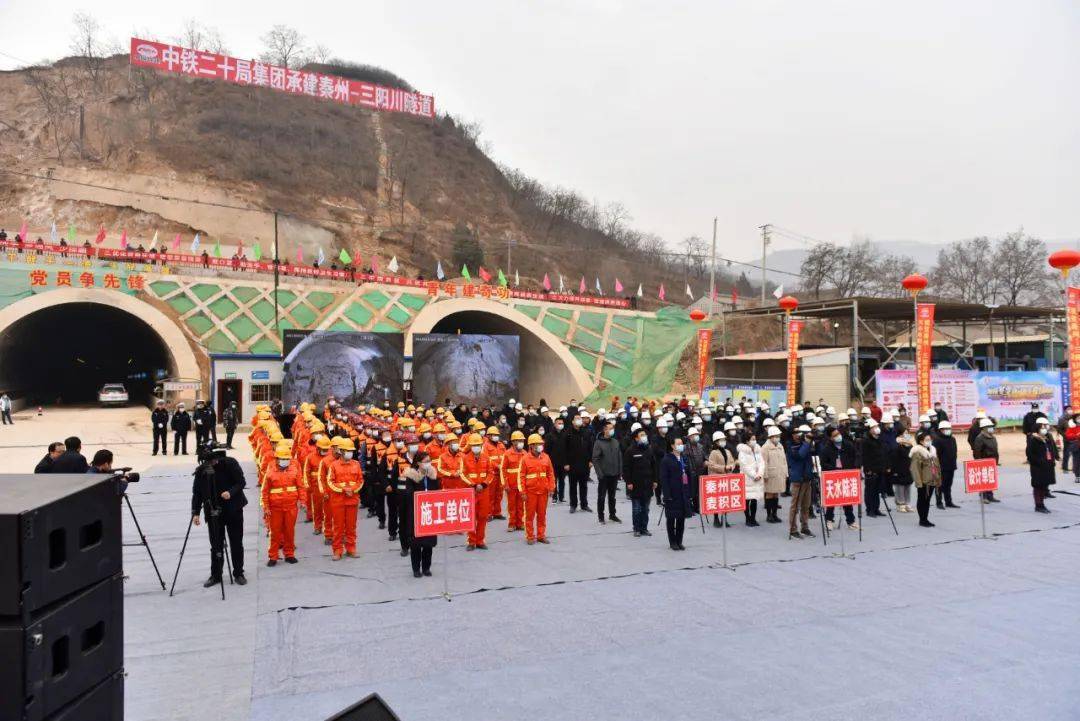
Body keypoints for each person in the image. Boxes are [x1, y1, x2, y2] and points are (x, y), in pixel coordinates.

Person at [191, 444, 248, 586]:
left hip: (233, 509)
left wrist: (230, 492)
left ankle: (238, 572)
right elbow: (197, 493)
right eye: (208, 462)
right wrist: (195, 513)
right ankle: (216, 575)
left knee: (236, 542)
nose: (212, 464)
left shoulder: (230, 463)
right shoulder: (202, 471)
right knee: (216, 544)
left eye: (214, 461)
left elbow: (241, 482)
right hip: (213, 512)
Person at [262, 444, 302, 566]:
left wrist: (303, 501)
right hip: (275, 508)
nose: (285, 461)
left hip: (291, 507)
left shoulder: (294, 470)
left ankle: (289, 554)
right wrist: (266, 507)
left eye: (287, 459)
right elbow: (265, 491)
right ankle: (273, 556)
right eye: (283, 458)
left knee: (289, 532)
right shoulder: (270, 473)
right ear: (277, 459)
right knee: (275, 533)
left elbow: (300, 487)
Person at [324, 437, 364, 560]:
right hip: (338, 501)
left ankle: (351, 549)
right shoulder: (334, 466)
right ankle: (337, 550)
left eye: (351, 451)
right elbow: (330, 482)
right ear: (341, 451)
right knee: (338, 527)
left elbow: (360, 481)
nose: (350, 453)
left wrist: (353, 490)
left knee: (351, 526)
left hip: (352, 500)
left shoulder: (356, 464)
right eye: (347, 451)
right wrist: (343, 490)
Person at [402, 451, 440, 576]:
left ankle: (426, 567)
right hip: (416, 513)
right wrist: (422, 498)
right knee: (416, 543)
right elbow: (408, 494)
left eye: (429, 460)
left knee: (428, 543)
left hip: (430, 512)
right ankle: (416, 569)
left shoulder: (432, 475)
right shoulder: (411, 476)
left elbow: (437, 490)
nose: (428, 463)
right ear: (418, 463)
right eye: (425, 461)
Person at [518, 433, 556, 545]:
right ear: (532, 446)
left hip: (543, 492)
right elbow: (521, 476)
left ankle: (541, 535)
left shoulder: (546, 457)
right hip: (530, 493)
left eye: (541, 443)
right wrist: (523, 492)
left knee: (542, 515)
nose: (540, 445)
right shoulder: (525, 459)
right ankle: (530, 536)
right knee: (529, 516)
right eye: (538, 444)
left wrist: (551, 488)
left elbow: (550, 474)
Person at [820, 427, 858, 530]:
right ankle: (829, 520)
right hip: (833, 476)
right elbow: (823, 464)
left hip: (846, 474)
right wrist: (834, 469)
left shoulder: (848, 445)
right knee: (832, 501)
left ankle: (851, 521)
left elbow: (855, 456)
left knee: (847, 500)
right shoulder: (826, 449)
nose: (838, 436)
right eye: (835, 435)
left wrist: (852, 467)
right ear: (830, 438)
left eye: (838, 433)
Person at [659, 436, 692, 550]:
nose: (681, 445)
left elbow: (688, 475)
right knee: (671, 518)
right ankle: (672, 541)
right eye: (678, 443)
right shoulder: (667, 459)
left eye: (681, 443)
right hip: (673, 493)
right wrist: (667, 495)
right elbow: (664, 478)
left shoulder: (684, 458)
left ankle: (679, 540)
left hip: (683, 493)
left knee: (681, 519)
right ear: (672, 446)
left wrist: (690, 492)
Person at [462, 432, 493, 550]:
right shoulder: (465, 458)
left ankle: (480, 541)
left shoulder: (486, 458)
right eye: (474, 445)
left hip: (484, 491)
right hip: (471, 491)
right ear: (470, 446)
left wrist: (484, 484)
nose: (476, 447)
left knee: (483, 516)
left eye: (478, 445)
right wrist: (474, 485)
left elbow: (491, 473)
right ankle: (471, 541)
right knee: (471, 517)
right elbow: (463, 474)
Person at [624, 426, 657, 537]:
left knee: (646, 509)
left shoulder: (649, 449)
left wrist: (655, 480)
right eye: (642, 435)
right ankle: (636, 529)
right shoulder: (630, 451)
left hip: (647, 484)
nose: (644, 437)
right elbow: (626, 468)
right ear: (636, 438)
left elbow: (654, 466)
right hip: (636, 485)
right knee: (636, 509)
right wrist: (628, 482)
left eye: (645, 435)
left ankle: (644, 528)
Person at [591, 420, 623, 524]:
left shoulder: (615, 441)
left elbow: (619, 457)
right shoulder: (598, 442)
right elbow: (595, 459)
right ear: (605, 430)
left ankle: (612, 515)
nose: (612, 430)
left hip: (614, 474)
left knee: (612, 497)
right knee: (601, 497)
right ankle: (601, 516)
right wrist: (600, 474)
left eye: (613, 428)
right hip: (604, 475)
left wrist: (620, 471)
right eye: (610, 428)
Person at [786, 425, 814, 539]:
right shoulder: (790, 445)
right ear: (792, 434)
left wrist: (811, 442)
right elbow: (800, 455)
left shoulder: (804, 443)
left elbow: (814, 453)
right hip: (798, 479)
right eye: (797, 432)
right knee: (795, 506)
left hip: (807, 478)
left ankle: (805, 527)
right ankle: (793, 529)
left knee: (806, 505)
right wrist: (807, 443)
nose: (800, 435)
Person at [910, 431, 941, 527]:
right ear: (921, 441)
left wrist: (938, 478)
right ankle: (922, 520)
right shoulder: (918, 452)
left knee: (927, 501)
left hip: (932, 480)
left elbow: (937, 465)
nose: (929, 441)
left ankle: (925, 519)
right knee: (922, 500)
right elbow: (915, 469)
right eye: (926, 440)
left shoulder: (932, 450)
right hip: (923, 481)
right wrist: (919, 483)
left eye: (930, 439)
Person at [564, 414, 592, 513]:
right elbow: (565, 449)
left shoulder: (586, 432)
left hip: (584, 463)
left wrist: (590, 460)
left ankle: (584, 504)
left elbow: (590, 447)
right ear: (572, 421)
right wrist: (566, 463)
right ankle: (573, 505)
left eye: (580, 418)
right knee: (573, 486)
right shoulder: (568, 433)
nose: (579, 420)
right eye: (577, 419)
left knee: (584, 485)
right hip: (572, 464)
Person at [1027, 418, 1056, 513]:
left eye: (1044, 427)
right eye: (1042, 427)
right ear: (1037, 430)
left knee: (1044, 485)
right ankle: (1038, 505)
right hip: (1038, 467)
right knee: (1038, 486)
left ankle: (1042, 503)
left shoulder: (1046, 439)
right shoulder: (1033, 440)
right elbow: (1030, 455)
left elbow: (1051, 451)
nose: (1044, 429)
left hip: (1047, 466)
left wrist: (1052, 461)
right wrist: (1039, 462)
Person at [761, 426, 787, 523]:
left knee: (776, 494)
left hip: (779, 474)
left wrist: (785, 472)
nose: (777, 438)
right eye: (775, 436)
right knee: (769, 494)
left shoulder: (780, 446)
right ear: (771, 437)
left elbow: (784, 461)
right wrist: (765, 474)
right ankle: (769, 515)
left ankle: (775, 514)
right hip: (770, 474)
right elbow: (764, 462)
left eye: (778, 436)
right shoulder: (765, 447)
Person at [737, 434, 764, 527]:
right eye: (752, 439)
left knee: (754, 499)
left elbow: (761, 463)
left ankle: (753, 518)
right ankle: (747, 518)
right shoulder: (742, 452)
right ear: (747, 441)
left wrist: (760, 474)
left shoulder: (757, 450)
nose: (755, 441)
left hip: (757, 478)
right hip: (747, 478)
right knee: (747, 499)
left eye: (755, 439)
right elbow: (745, 466)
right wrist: (754, 475)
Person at [861, 420, 887, 517]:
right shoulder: (866, 441)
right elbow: (865, 457)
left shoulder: (879, 439)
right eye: (874, 427)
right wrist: (868, 469)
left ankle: (876, 509)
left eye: (877, 426)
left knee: (877, 490)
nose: (876, 428)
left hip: (879, 468)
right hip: (871, 469)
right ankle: (870, 510)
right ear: (870, 429)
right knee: (870, 490)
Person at [971, 418, 1000, 503]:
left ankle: (990, 496)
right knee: (984, 479)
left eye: (991, 426)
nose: (991, 428)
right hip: (984, 461)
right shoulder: (980, 438)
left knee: (990, 479)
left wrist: (996, 461)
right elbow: (977, 451)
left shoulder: (992, 437)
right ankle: (983, 497)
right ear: (984, 428)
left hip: (992, 461)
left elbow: (995, 449)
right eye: (989, 427)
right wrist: (979, 461)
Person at [932, 421, 960, 509]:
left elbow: (955, 451)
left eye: (949, 429)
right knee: (939, 486)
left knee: (948, 485)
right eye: (946, 429)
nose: (948, 430)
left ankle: (949, 501)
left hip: (951, 466)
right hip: (941, 467)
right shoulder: (937, 440)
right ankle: (939, 502)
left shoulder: (952, 439)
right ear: (941, 430)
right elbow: (935, 455)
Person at [891, 430, 915, 513]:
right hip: (899, 469)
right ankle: (900, 504)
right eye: (904, 433)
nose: (907, 435)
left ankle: (907, 503)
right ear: (900, 436)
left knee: (908, 486)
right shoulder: (896, 446)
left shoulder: (910, 445)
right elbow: (893, 458)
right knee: (900, 487)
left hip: (908, 469)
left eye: (907, 433)